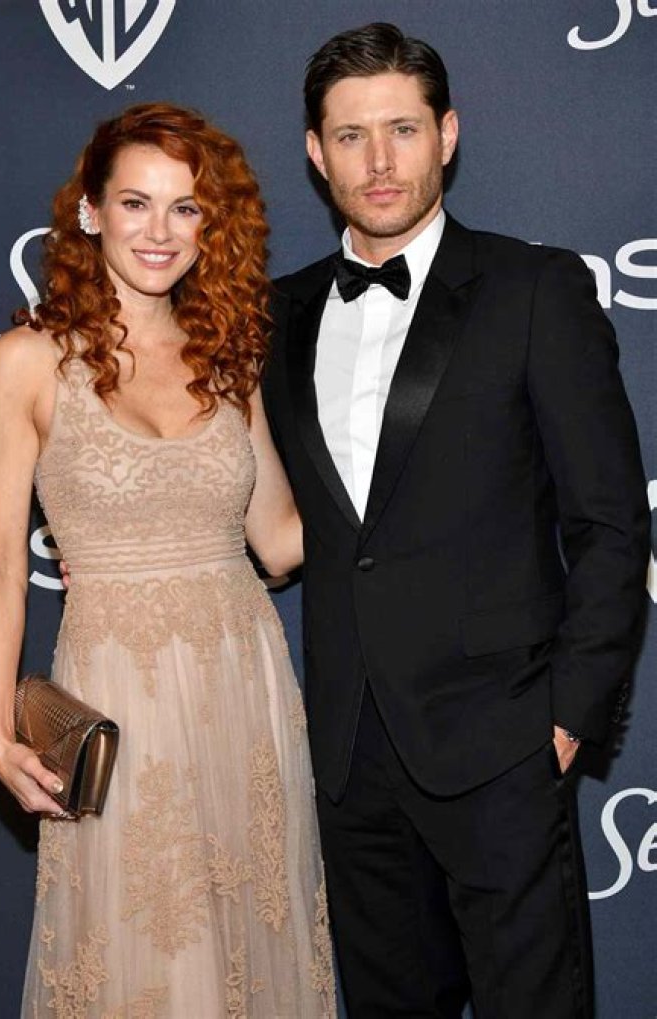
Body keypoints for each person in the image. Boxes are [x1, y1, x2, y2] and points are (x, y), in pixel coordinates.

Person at [263, 23, 650, 1019]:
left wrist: (566, 715)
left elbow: (610, 521)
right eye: (350, 135)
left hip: (502, 739)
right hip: (349, 752)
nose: (378, 161)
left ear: (447, 133)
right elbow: (267, 514)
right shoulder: (277, 315)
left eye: (402, 129)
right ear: (315, 152)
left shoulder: (534, 289)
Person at [0, 103, 335, 1018]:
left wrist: (405, 468)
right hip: (120, 699)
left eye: (186, 208)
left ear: (211, 224)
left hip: (244, 688)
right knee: (153, 964)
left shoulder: (230, 358)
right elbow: (1, 563)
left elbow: (280, 538)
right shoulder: (27, 361)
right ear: (90, 211)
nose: (159, 231)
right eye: (136, 203)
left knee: (253, 956)